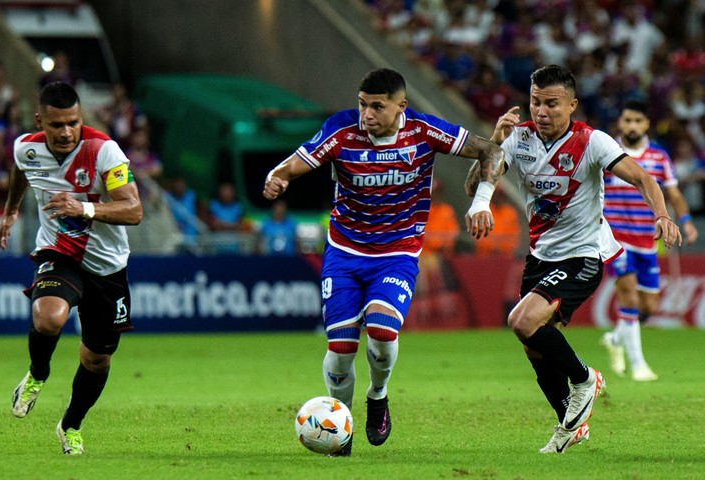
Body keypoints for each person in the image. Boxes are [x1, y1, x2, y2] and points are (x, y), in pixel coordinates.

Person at [263, 68, 505, 456]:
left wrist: (480, 202)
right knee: (341, 350)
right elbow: (295, 163)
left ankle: (378, 395)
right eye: (363, 104)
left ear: (400, 107)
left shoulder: (424, 131)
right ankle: (341, 428)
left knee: (380, 329)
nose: (367, 114)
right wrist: (278, 177)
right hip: (344, 253)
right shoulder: (341, 130)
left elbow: (491, 150)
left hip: (397, 253)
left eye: (377, 106)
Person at [466, 65, 681, 454]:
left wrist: (662, 214)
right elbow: (475, 183)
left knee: (521, 320)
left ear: (572, 105)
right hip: (541, 255)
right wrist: (491, 143)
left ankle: (584, 379)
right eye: (535, 102)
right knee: (533, 343)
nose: (541, 111)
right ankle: (570, 421)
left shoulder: (593, 142)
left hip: (583, 254)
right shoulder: (519, 138)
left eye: (551, 103)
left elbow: (643, 179)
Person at [0, 81, 143, 455]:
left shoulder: (104, 151)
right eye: (56, 124)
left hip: (108, 268)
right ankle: (37, 375)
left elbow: (134, 210)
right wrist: (12, 209)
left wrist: (85, 208)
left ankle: (70, 425)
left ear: (82, 119)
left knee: (97, 358)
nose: (65, 132)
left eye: (72, 123)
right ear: (40, 121)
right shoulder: (25, 147)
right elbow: (19, 169)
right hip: (59, 252)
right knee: (48, 318)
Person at [601, 100, 698, 381]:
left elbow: (674, 194)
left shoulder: (658, 158)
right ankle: (639, 365)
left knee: (649, 307)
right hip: (615, 238)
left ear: (646, 125)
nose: (632, 125)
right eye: (627, 120)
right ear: (620, 122)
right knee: (628, 293)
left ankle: (616, 339)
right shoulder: (608, 153)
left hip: (647, 240)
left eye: (637, 121)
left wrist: (686, 220)